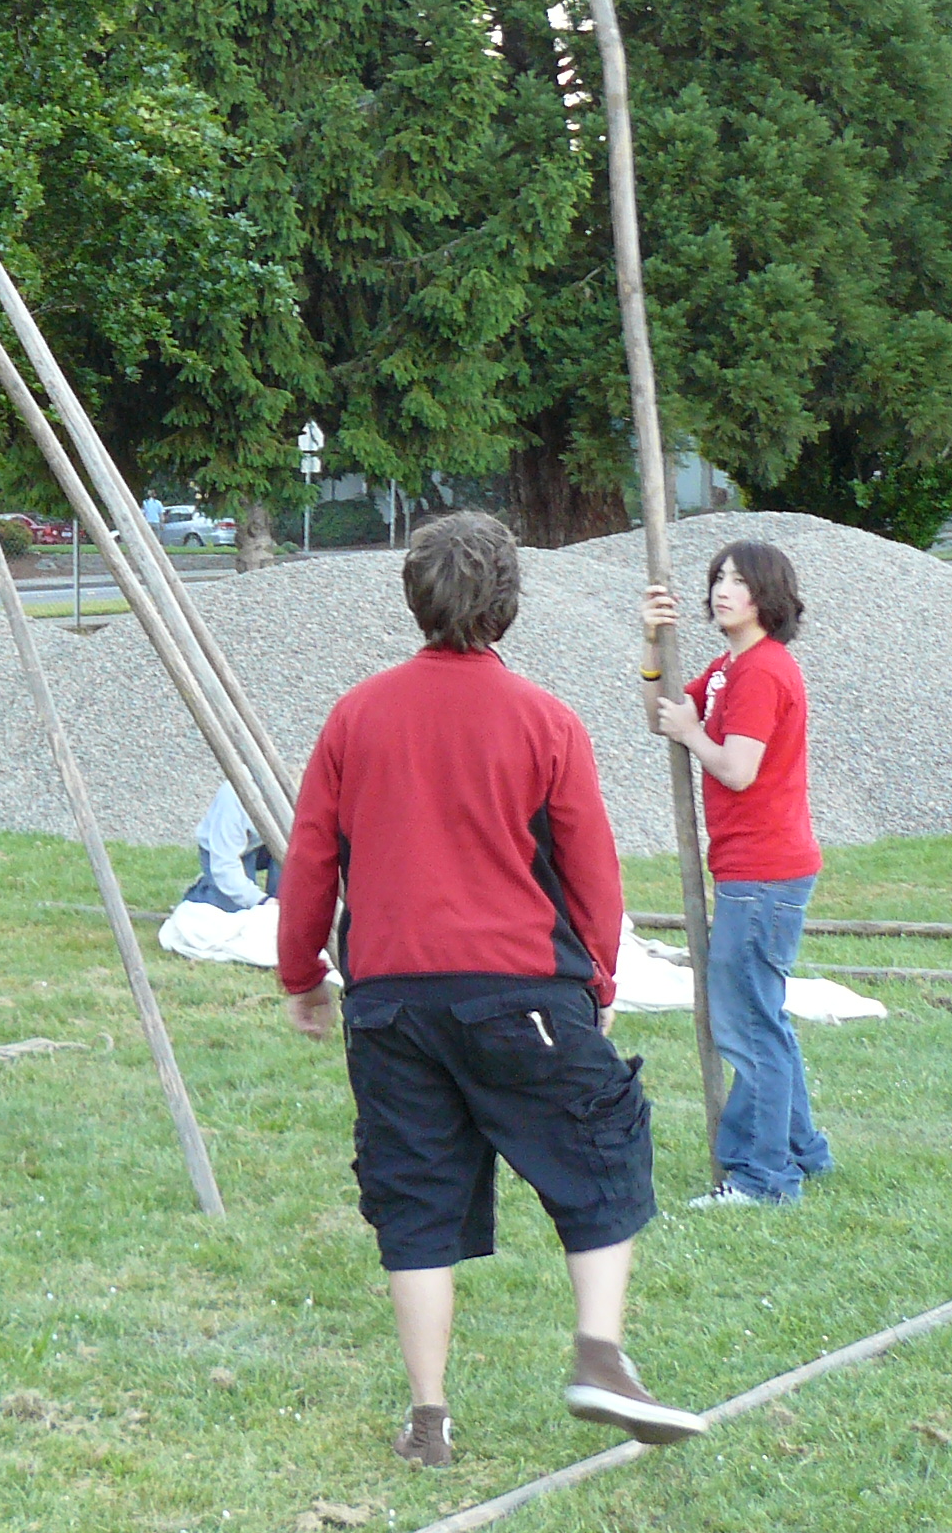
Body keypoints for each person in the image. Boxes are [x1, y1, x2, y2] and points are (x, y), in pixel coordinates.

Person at [277, 511, 703, 1470]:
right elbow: (591, 870)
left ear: (414, 599)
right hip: (522, 994)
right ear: (509, 605)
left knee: (414, 1197)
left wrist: (302, 973)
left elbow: (309, 858)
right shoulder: (545, 721)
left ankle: (429, 1419)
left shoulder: (355, 716)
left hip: (390, 1001)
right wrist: (599, 978)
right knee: (603, 1148)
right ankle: (599, 1357)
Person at [644, 541, 830, 1212]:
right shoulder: (728, 668)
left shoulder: (762, 672)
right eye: (718, 578)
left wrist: (694, 735)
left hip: (764, 873)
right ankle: (803, 1150)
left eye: (739, 581)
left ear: (767, 595)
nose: (723, 590)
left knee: (748, 1027)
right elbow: (661, 714)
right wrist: (652, 643)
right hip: (752, 869)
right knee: (761, 1018)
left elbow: (738, 769)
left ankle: (761, 1178)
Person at [183, 783, 275, 912]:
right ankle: (200, 894)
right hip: (221, 850)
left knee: (289, 905)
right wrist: (262, 901)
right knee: (233, 911)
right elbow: (225, 863)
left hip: (266, 845)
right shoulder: (234, 797)